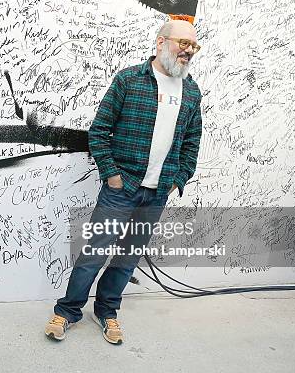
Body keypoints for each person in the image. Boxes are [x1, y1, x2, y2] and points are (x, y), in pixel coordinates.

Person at [45, 19, 203, 344]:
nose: (188, 51)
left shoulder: (191, 92)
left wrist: (178, 179)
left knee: (128, 258)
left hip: (156, 195)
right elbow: (99, 131)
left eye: (193, 46)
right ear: (161, 43)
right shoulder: (130, 79)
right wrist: (112, 175)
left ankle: (107, 311)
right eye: (182, 43)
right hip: (121, 190)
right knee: (94, 254)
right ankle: (68, 310)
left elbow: (192, 142)